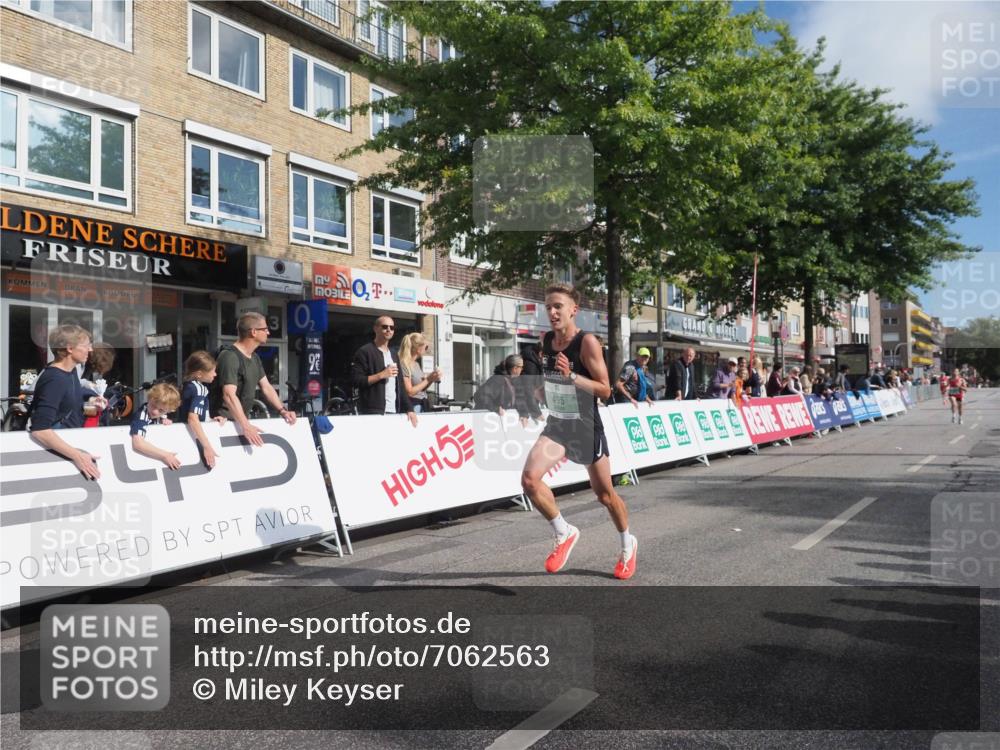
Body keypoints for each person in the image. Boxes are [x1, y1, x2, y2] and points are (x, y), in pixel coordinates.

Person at [520, 284, 637, 580]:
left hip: (585, 425)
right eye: (548, 307)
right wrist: (541, 391)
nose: (552, 312)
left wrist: (572, 376)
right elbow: (554, 380)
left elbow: (606, 389)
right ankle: (564, 531)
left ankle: (627, 544)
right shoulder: (546, 340)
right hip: (559, 423)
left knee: (605, 495)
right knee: (530, 480)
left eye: (558, 306)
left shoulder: (587, 343)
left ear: (574, 310)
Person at [28, 324, 105, 479]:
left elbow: (72, 408)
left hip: (69, 451)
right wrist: (77, 456)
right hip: (58, 459)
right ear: (70, 348)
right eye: (86, 345)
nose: (90, 350)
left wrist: (92, 403)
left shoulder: (70, 373)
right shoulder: (55, 379)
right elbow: (40, 429)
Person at [215, 313, 295, 447]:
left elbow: (267, 387)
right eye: (265, 329)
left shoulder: (255, 357)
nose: (268, 332)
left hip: (239, 423)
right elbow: (229, 395)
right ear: (253, 332)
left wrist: (283, 411)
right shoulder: (229, 356)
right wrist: (246, 426)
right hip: (224, 424)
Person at [350, 316, 418, 426]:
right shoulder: (365, 352)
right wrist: (381, 375)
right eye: (385, 327)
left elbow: (400, 385)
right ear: (375, 329)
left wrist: (409, 408)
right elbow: (356, 380)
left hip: (393, 410)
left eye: (392, 327)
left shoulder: (393, 354)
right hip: (372, 412)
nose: (389, 330)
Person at [180, 350, 227, 469]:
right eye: (212, 371)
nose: (215, 375)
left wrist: (210, 420)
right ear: (199, 374)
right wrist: (207, 446)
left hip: (182, 434)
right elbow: (193, 419)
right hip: (194, 438)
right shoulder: (199, 389)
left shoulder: (187, 385)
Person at [130, 383, 182, 469]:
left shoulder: (159, 415)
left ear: (169, 411)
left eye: (161, 410)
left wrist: (162, 420)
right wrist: (165, 456)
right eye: (153, 405)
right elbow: (138, 444)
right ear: (149, 398)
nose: (155, 412)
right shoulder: (141, 416)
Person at [398, 332, 441, 413]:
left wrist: (432, 378)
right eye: (426, 347)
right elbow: (409, 392)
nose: (426, 350)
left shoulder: (416, 364)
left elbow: (421, 389)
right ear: (418, 348)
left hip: (421, 403)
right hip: (413, 406)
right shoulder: (404, 364)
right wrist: (428, 379)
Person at [517, 342, 545, 424]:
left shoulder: (537, 363)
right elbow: (528, 390)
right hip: (522, 405)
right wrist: (537, 412)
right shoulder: (530, 365)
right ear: (540, 354)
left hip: (529, 404)